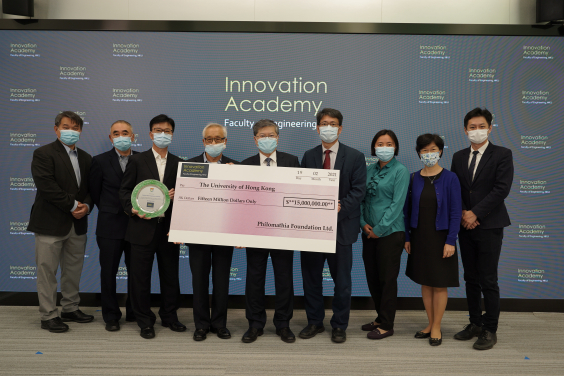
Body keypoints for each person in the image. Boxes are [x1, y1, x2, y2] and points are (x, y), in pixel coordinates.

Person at [300, 108, 367, 343]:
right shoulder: (308, 156)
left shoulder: (356, 156)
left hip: (342, 230)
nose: (328, 127)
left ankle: (339, 325)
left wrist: (338, 209)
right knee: (311, 279)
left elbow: (359, 190)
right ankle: (314, 322)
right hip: (312, 230)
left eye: (333, 123)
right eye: (324, 123)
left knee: (343, 283)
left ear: (340, 128)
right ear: (318, 128)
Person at [450, 108, 513, 350]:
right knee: (470, 278)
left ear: (490, 127)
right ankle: (474, 323)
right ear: (465, 130)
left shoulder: (502, 154)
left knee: (488, 279)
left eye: (481, 126)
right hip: (465, 226)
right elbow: (456, 189)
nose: (477, 131)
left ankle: (490, 329)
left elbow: (501, 189)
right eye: (472, 127)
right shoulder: (457, 156)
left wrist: (475, 213)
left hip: (490, 225)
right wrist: (466, 213)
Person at [119, 114, 185, 339]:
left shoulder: (179, 163)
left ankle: (170, 317)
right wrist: (132, 208)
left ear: (172, 135)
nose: (162, 134)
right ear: (150, 134)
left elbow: (188, 199)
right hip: (141, 228)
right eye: (158, 130)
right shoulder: (137, 160)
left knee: (170, 276)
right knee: (140, 277)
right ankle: (144, 321)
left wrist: (180, 196)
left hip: (168, 229)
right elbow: (124, 191)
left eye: (167, 131)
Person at [28, 111, 94, 333]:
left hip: (77, 224)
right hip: (50, 223)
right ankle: (48, 315)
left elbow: (90, 190)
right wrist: (74, 206)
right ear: (56, 129)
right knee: (47, 272)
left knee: (73, 270)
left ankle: (70, 308)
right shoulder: (43, 153)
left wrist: (86, 205)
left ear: (81, 131)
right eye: (66, 127)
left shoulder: (86, 158)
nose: (71, 131)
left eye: (75, 128)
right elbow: (47, 187)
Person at [240, 119, 300, 344]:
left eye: (271, 135)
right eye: (262, 136)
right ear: (255, 139)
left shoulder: (291, 161)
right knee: (254, 279)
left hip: (283, 231)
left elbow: (299, 195)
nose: (267, 139)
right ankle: (255, 324)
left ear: (278, 137)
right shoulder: (245, 165)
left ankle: (283, 324)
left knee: (284, 279)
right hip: (254, 232)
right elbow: (241, 203)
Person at [403, 134, 462, 346]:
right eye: (425, 150)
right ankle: (429, 323)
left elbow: (456, 212)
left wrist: (450, 240)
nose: (429, 154)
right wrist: (407, 237)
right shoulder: (412, 178)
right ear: (419, 153)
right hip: (419, 237)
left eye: (433, 149)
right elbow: (406, 211)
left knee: (439, 284)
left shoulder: (451, 178)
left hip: (441, 238)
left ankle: (437, 326)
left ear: (440, 151)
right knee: (425, 282)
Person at [186, 123, 237, 341]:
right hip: (197, 234)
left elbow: (240, 205)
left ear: (225, 142)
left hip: (224, 233)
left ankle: (219, 323)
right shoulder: (189, 166)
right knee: (199, 280)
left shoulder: (235, 167)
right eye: (209, 139)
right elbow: (183, 202)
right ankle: (201, 325)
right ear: (203, 142)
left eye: (218, 139)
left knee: (222, 280)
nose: (213, 143)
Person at [359, 129, 409, 340]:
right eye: (380, 143)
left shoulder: (401, 171)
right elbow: (361, 199)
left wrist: (379, 229)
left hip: (390, 233)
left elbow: (397, 205)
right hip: (368, 233)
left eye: (389, 143)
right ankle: (380, 317)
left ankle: (387, 324)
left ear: (395, 147)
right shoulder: (369, 169)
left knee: (387, 279)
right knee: (373, 277)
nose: (384, 147)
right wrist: (363, 224)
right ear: (374, 147)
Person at [89, 120, 138, 331]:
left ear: (133, 136)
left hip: (137, 225)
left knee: (137, 272)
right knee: (108, 272)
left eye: (125, 132)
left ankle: (135, 312)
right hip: (109, 226)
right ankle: (111, 315)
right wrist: (114, 210)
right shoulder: (98, 161)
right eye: (116, 133)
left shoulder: (143, 159)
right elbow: (95, 193)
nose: (121, 136)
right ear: (110, 138)